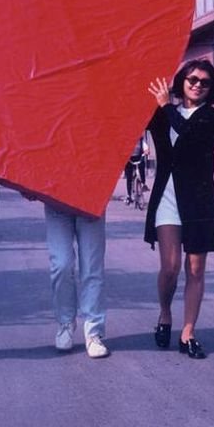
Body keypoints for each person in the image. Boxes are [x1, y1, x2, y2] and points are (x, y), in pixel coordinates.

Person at [144, 59, 214, 360]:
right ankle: (165, 313)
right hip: (167, 197)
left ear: (211, 88)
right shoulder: (162, 113)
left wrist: (165, 106)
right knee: (171, 266)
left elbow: (189, 136)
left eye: (205, 82)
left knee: (195, 268)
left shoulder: (213, 118)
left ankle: (188, 332)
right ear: (182, 81)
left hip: (198, 200)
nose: (197, 85)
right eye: (192, 79)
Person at [44, 204, 109, 358]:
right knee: (61, 265)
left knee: (92, 268)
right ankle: (65, 323)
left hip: (91, 197)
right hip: (56, 199)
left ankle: (93, 332)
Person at [123, 135, 149, 204]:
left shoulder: (140, 140)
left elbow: (145, 147)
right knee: (129, 177)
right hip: (129, 159)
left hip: (138, 158)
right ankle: (129, 196)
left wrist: (146, 151)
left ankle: (143, 184)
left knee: (141, 167)